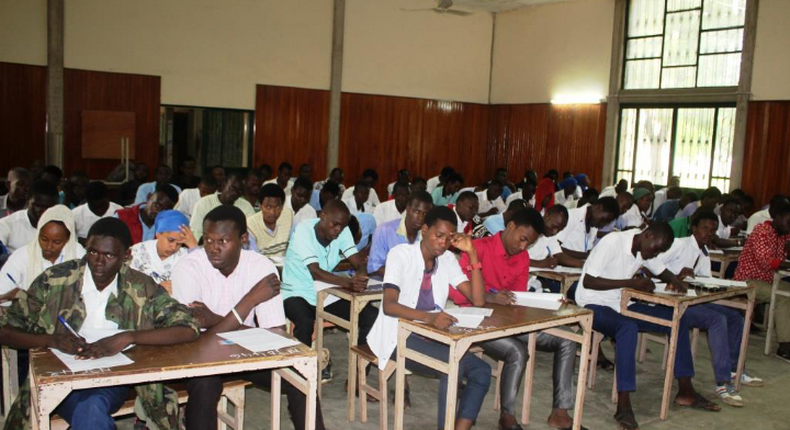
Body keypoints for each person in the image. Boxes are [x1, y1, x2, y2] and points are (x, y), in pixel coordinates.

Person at [0, 217, 200, 430]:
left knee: (91, 407)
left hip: (112, 380)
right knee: (89, 410)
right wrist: (50, 340)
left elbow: (188, 327)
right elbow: (5, 329)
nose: (98, 261)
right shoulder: (54, 280)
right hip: (59, 378)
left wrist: (128, 337)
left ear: (126, 256)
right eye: (93, 252)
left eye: (109, 255)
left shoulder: (141, 286)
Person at [172, 205, 326, 430]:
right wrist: (249, 301)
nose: (214, 248)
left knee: (301, 378)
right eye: (208, 240)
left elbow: (274, 335)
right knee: (205, 384)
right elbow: (192, 335)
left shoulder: (261, 267)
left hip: (246, 353)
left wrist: (215, 319)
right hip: (201, 357)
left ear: (243, 239)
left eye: (223, 241)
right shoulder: (188, 267)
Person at [575, 223, 720, 430]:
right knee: (627, 328)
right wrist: (631, 284)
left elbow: (662, 271)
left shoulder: (645, 249)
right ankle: (624, 404)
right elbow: (589, 281)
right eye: (656, 249)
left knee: (678, 319)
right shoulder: (613, 242)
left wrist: (677, 282)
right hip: (593, 303)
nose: (655, 254)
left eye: (660, 251)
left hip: (622, 303)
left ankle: (685, 390)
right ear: (648, 235)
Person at [451, 208, 584, 430]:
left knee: (567, 339)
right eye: (522, 239)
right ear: (510, 226)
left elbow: (518, 298)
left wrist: (549, 306)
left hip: (509, 321)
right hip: (476, 322)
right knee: (517, 351)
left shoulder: (522, 258)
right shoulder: (477, 249)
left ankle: (560, 412)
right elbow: (458, 293)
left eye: (529, 244)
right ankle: (507, 416)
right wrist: (491, 297)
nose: (523, 247)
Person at [366, 206, 489, 430]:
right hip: (399, 333)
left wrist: (472, 254)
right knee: (452, 365)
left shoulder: (449, 260)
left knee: (482, 371)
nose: (443, 242)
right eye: (439, 235)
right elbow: (389, 305)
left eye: (450, 238)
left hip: (431, 334)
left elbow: (478, 300)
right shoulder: (401, 254)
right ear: (424, 230)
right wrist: (428, 318)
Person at [643, 209, 761, 407]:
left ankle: (734, 370)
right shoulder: (678, 245)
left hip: (688, 299)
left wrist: (729, 288)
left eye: (713, 230)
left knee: (734, 317)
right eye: (705, 228)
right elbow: (647, 266)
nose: (709, 233)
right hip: (666, 300)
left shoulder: (703, 252)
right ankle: (723, 383)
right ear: (694, 228)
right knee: (717, 319)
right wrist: (674, 276)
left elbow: (704, 282)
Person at [281, 200, 377, 381]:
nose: (338, 230)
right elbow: (315, 272)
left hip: (325, 292)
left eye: (342, 226)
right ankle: (299, 381)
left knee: (370, 316)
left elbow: (357, 261)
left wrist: (361, 276)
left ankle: (358, 378)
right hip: (296, 291)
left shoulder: (343, 231)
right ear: (322, 217)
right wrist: (348, 283)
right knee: (304, 321)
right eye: (335, 225)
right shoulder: (304, 230)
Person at [734, 201, 790, 361]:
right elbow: (765, 261)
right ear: (777, 218)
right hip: (748, 280)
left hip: (767, 280)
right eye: (788, 221)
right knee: (783, 296)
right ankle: (784, 345)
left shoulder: (784, 234)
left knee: (786, 291)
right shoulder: (762, 231)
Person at [0, 205, 85, 303]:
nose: (49, 246)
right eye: (44, 239)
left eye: (56, 242)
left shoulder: (78, 254)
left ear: (68, 239)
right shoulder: (21, 256)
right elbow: (2, 291)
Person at [129, 210, 197, 294]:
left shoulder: (186, 256)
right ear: (158, 234)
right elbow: (126, 284)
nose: (174, 247)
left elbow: (204, 277)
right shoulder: (138, 251)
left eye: (179, 244)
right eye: (171, 240)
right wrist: (155, 287)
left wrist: (194, 246)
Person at [367, 191, 433, 277]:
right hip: (384, 284)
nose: (421, 217)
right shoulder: (384, 231)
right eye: (417, 212)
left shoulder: (430, 235)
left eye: (425, 214)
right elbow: (374, 268)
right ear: (408, 209)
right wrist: (405, 277)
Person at [190, 173, 255, 240]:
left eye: (240, 191)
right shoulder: (204, 203)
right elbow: (196, 232)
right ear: (224, 184)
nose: (236, 193)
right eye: (232, 188)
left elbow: (251, 232)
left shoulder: (246, 206)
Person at [0, 179, 59, 252]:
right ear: (28, 199)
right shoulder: (7, 224)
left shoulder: (63, 226)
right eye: (38, 206)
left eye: (49, 207)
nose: (43, 211)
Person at [247, 184, 292, 257]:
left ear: (282, 206)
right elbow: (254, 258)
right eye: (268, 207)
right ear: (260, 206)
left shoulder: (288, 216)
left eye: (277, 207)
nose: (273, 212)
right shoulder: (250, 225)